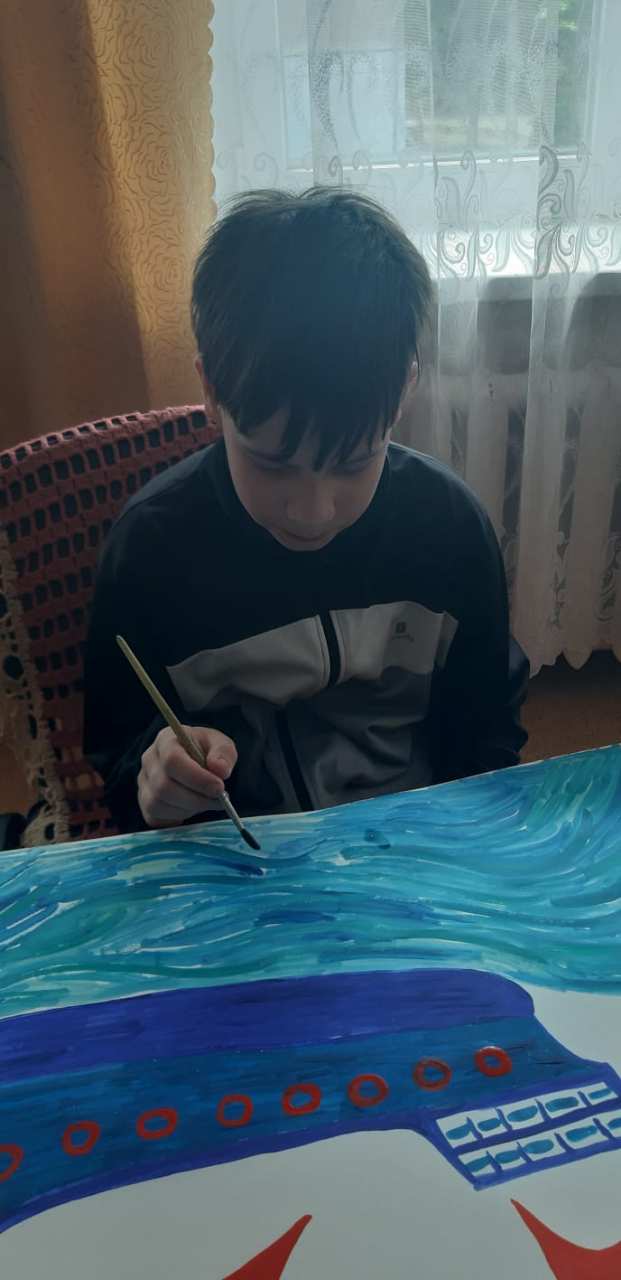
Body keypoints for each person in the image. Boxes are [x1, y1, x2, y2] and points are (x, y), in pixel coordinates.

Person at [83, 187, 529, 834]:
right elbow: (119, 752)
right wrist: (155, 778)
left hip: (416, 849)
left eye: (354, 462)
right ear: (210, 390)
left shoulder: (449, 531)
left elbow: (487, 734)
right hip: (239, 858)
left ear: (404, 389)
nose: (312, 513)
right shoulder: (149, 552)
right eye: (271, 464)